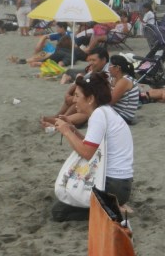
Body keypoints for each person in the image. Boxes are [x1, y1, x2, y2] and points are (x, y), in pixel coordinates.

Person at [51, 72, 134, 222]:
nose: (74, 100)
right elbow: (95, 147)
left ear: (90, 99)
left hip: (111, 184)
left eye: (77, 96)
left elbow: (88, 153)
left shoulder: (98, 116)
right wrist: (73, 129)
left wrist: (66, 131)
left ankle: (109, 210)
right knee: (66, 199)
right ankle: (111, 205)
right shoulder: (105, 112)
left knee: (58, 212)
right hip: (121, 184)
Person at [41, 47, 110, 127]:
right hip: (94, 100)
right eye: (90, 60)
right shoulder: (96, 70)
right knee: (76, 94)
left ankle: (61, 120)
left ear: (104, 60)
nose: (90, 63)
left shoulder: (108, 73)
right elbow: (80, 82)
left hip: (100, 103)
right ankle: (59, 117)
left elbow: (99, 94)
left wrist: (75, 97)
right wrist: (67, 94)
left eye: (93, 60)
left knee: (80, 99)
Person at [108, 55, 140, 124]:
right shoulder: (114, 79)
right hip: (115, 112)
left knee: (88, 112)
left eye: (110, 66)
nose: (108, 69)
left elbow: (110, 101)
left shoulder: (124, 81)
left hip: (123, 116)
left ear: (117, 68)